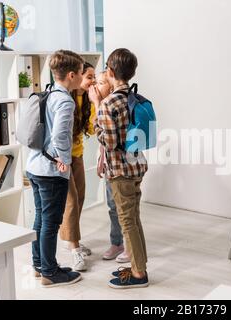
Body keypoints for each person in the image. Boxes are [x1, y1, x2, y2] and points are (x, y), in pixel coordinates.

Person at [90, 48, 149, 289]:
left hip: (120, 171)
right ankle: (139, 265)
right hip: (136, 166)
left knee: (126, 221)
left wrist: (96, 123)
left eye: (106, 68)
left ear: (112, 72)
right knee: (134, 219)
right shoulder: (134, 97)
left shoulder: (108, 103)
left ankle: (138, 275)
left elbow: (110, 142)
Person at [26, 50, 85, 287]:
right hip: (51, 171)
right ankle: (51, 272)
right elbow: (61, 135)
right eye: (81, 73)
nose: (82, 77)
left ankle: (40, 266)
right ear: (71, 75)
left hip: (35, 165)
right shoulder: (65, 100)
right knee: (51, 222)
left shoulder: (48, 93)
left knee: (40, 218)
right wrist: (65, 162)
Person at [59, 62, 97, 271]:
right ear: (78, 76)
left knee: (80, 196)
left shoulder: (87, 100)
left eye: (94, 78)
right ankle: (74, 249)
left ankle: (69, 239)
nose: (92, 81)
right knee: (71, 200)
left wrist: (97, 102)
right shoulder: (67, 98)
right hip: (62, 157)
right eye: (89, 76)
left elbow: (91, 128)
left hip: (77, 154)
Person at [93, 71, 131, 264]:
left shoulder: (110, 104)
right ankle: (117, 243)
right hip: (110, 163)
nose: (96, 86)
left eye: (100, 83)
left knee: (122, 208)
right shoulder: (104, 105)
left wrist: (96, 104)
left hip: (120, 165)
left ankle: (127, 245)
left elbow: (109, 138)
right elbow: (104, 143)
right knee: (112, 207)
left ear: (110, 84)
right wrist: (101, 160)